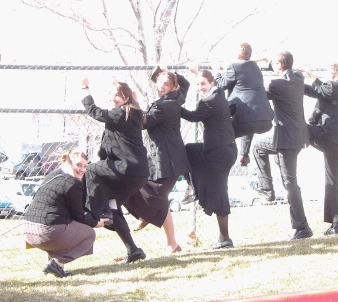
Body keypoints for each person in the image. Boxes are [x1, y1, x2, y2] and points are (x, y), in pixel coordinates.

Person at [82, 76, 149, 264]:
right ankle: (133, 250)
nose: (114, 99)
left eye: (118, 96)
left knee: (91, 169)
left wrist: (85, 89)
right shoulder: (130, 114)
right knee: (113, 207)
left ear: (126, 99)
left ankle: (91, 213)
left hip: (126, 168)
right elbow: (107, 147)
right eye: (112, 95)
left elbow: (94, 112)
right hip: (137, 172)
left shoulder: (121, 114)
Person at [124, 69, 191, 254]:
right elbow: (185, 84)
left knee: (151, 194)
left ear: (172, 87)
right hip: (164, 158)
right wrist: (168, 71)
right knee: (158, 199)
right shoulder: (178, 97)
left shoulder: (164, 105)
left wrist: (133, 101)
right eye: (159, 83)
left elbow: (143, 122)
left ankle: (145, 215)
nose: (161, 87)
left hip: (167, 161)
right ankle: (172, 244)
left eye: (166, 84)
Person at [252, 51, 312, 240]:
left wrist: (250, 70)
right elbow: (283, 68)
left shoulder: (276, 84)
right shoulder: (298, 77)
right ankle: (267, 189)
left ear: (280, 65)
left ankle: (302, 227)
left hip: (285, 139)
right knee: (260, 148)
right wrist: (266, 61)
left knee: (290, 183)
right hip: (297, 136)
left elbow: (261, 94)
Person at [22, 149, 107, 278]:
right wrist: (96, 223)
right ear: (68, 163)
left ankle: (53, 265)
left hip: (27, 230)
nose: (82, 170)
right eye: (78, 165)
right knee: (89, 234)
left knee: (62, 226)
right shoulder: (73, 183)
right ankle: (57, 263)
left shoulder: (52, 175)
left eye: (85, 166)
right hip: (44, 232)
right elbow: (78, 216)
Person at [181, 69, 238, 249]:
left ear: (211, 84)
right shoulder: (218, 93)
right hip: (220, 149)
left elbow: (192, 116)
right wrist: (199, 73)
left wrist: (174, 106)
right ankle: (194, 187)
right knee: (189, 150)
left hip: (220, 153)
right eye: (197, 85)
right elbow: (218, 83)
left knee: (220, 193)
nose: (200, 88)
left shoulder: (210, 100)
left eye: (203, 84)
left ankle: (225, 238)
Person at [301, 64, 338, 235]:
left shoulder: (333, 87)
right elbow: (318, 108)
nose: (327, 80)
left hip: (327, 137)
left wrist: (304, 77)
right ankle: (334, 225)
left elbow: (313, 90)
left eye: (329, 76)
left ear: (336, 77)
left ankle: (286, 149)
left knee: (299, 127)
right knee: (332, 182)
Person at [215, 42, 274, 166]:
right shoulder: (255, 67)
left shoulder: (233, 67)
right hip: (265, 121)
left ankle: (221, 162)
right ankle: (244, 154)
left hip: (245, 121)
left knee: (222, 133)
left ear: (237, 55)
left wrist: (217, 72)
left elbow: (220, 85)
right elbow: (247, 63)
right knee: (248, 121)